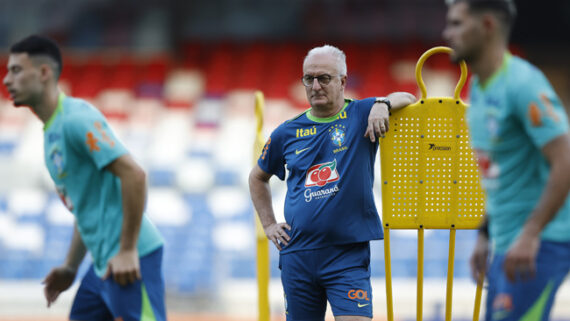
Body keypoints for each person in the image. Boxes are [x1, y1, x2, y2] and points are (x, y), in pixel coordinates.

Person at [3, 35, 166, 321]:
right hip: (103, 264)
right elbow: (85, 208)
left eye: (16, 70)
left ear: (43, 73)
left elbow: (134, 175)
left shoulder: (76, 119)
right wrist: (70, 266)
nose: (6, 80)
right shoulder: (51, 134)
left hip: (131, 259)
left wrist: (127, 250)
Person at [249, 44, 415, 321]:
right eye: (308, 78)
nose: (315, 86)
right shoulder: (286, 132)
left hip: (346, 256)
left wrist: (382, 103)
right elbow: (257, 177)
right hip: (298, 254)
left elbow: (408, 96)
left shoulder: (361, 113)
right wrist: (268, 224)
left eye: (324, 78)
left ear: (342, 81)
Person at [443, 1, 570, 320]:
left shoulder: (522, 84)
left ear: (486, 25)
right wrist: (485, 235)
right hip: (505, 242)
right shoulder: (480, 88)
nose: (448, 33)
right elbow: (498, 173)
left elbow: (565, 160)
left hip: (541, 244)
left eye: (457, 24)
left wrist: (531, 233)